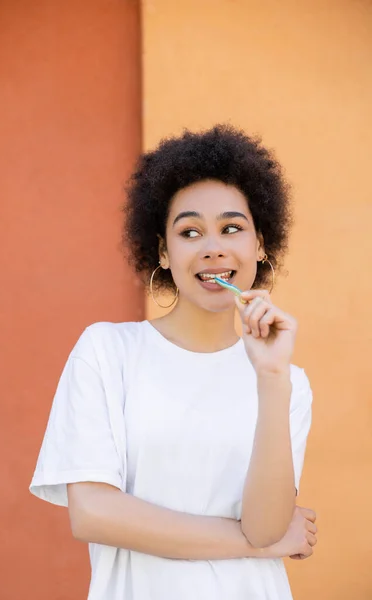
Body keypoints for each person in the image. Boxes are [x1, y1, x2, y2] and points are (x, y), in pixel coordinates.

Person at [30, 125, 317, 599]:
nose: (212, 246)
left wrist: (271, 377)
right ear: (163, 252)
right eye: (189, 232)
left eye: (232, 228)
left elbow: (266, 527)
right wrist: (252, 543)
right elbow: (93, 514)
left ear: (260, 244)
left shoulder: (287, 381)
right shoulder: (107, 352)